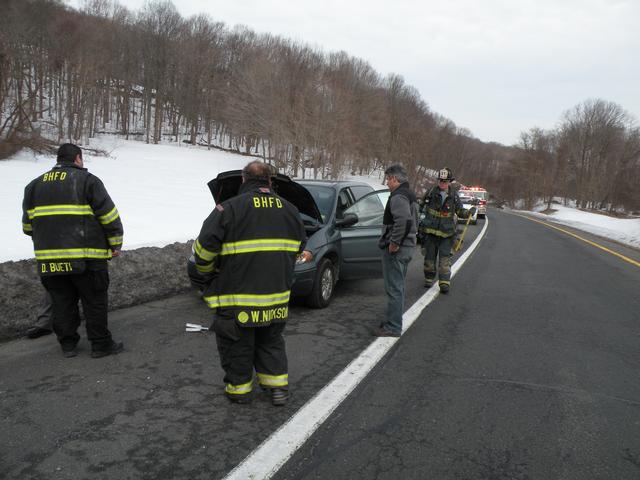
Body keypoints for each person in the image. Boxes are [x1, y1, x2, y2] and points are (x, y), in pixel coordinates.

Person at [192, 161, 310, 406]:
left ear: (244, 180)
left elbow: (203, 252)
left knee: (238, 344)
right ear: (270, 182)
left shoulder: (229, 209)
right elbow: (299, 247)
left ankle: (239, 391)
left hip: (238, 299)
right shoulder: (290, 210)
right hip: (276, 296)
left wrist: (207, 275)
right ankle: (277, 390)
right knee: (271, 342)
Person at [22, 143, 124, 358]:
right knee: (94, 302)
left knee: (61, 303)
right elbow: (109, 217)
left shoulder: (34, 186)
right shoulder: (88, 181)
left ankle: (68, 344)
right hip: (87, 259)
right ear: (78, 158)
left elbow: (28, 227)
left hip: (50, 261)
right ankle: (101, 345)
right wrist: (115, 244)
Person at [374, 164, 418, 338]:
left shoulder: (398, 196)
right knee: (397, 286)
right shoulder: (409, 194)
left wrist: (394, 243)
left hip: (399, 249)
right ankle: (393, 320)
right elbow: (412, 221)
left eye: (388, 179)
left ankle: (393, 327)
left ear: (394, 178)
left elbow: (404, 221)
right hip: (408, 246)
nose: (386, 183)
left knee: (394, 288)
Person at [418, 167, 475, 293]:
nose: (443, 183)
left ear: (450, 182)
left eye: (445, 181)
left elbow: (460, 211)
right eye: (441, 180)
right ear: (438, 181)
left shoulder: (454, 195)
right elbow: (421, 207)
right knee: (429, 258)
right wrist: (419, 221)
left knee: (445, 260)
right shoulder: (431, 192)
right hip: (430, 231)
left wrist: (468, 212)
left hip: (447, 233)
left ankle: (444, 282)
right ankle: (429, 278)